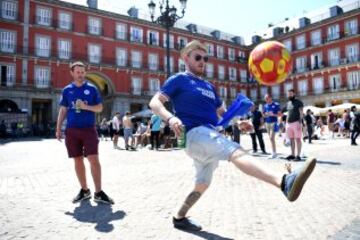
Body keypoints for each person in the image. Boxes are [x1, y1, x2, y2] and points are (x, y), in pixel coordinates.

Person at [149, 40, 316, 231]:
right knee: (236, 152)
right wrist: (170, 118)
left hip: (208, 136)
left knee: (202, 183)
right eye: (197, 57)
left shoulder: (210, 87)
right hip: (193, 133)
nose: (202, 61)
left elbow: (223, 113)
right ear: (185, 58)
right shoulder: (179, 79)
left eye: (205, 58)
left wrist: (237, 122)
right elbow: (155, 102)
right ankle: (283, 182)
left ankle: (179, 217)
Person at [55, 61, 114, 205]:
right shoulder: (67, 90)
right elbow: (63, 110)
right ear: (72, 73)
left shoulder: (92, 89)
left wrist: (85, 106)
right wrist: (58, 129)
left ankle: (98, 192)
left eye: (82, 72)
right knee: (77, 159)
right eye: (78, 72)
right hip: (71, 130)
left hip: (89, 129)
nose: (81, 75)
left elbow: (100, 108)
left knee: (94, 159)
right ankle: (84, 190)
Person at [285, 89, 304, 161]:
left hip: (296, 122)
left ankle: (298, 156)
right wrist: (286, 124)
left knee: (298, 139)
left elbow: (301, 113)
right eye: (288, 94)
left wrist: (300, 122)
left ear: (294, 94)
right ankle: (293, 154)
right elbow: (288, 114)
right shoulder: (288, 103)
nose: (289, 95)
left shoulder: (299, 102)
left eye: (291, 93)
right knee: (291, 139)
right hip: (289, 124)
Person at [263, 94, 281, 158]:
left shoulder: (276, 105)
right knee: (271, 139)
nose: (266, 100)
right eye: (265, 99)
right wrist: (266, 114)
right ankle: (273, 152)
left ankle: (274, 153)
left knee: (271, 138)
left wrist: (273, 114)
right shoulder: (265, 106)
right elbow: (264, 115)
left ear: (270, 98)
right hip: (267, 123)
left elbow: (279, 115)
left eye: (267, 98)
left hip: (274, 122)